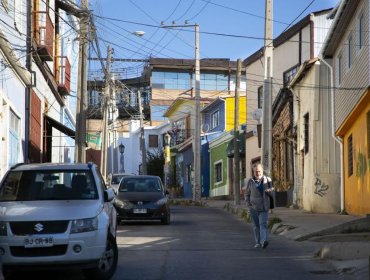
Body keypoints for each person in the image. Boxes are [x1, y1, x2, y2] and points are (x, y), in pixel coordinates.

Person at [244, 163, 274, 249]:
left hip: (264, 207)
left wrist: (270, 191)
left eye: (259, 171)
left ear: (262, 171)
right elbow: (247, 194)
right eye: (256, 172)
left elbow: (272, 191)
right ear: (253, 172)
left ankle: (263, 241)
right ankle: (257, 242)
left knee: (263, 224)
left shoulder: (267, 180)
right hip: (253, 207)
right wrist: (248, 203)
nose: (258, 173)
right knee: (256, 225)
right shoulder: (250, 181)